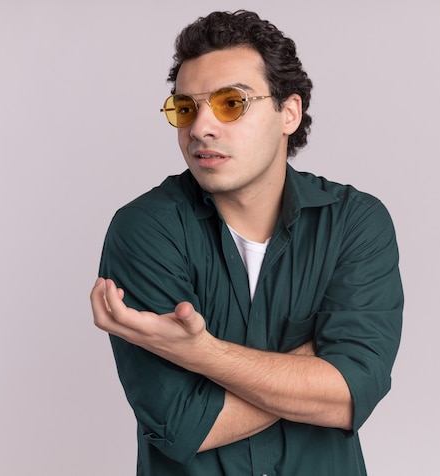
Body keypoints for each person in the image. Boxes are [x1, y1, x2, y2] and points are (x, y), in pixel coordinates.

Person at [91, 9, 403, 476]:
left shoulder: (353, 223)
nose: (200, 128)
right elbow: (184, 425)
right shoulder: (145, 230)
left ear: (288, 113)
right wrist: (314, 366)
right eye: (186, 108)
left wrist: (202, 353)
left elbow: (350, 397)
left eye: (230, 103)